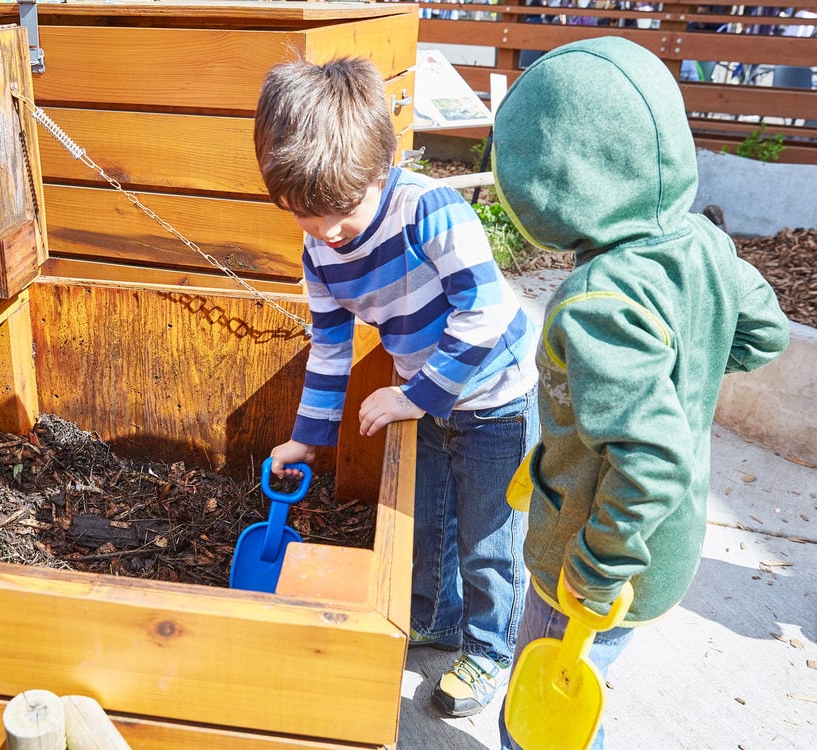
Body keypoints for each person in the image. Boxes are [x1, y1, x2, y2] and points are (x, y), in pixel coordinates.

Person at [489, 37, 791, 747]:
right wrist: (685, 384)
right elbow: (765, 332)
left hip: (592, 560)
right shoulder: (700, 241)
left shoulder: (597, 301)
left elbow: (650, 460)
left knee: (541, 717)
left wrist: (594, 574)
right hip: (667, 546)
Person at [254, 57, 540, 718]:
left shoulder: (427, 210)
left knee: (487, 536)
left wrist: (415, 398)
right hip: (427, 395)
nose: (324, 230)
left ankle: (490, 650)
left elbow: (485, 314)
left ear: (377, 169)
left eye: (337, 211)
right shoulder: (320, 250)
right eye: (300, 213)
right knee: (428, 520)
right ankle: (435, 620)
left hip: (493, 395)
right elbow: (329, 345)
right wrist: (305, 441)